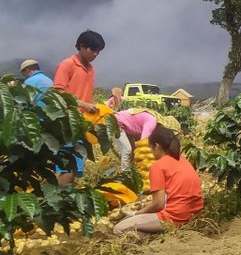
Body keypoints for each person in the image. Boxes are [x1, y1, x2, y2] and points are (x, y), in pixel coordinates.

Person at [113, 125, 204, 236]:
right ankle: (153, 232)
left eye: (150, 148)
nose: (151, 152)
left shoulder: (158, 166)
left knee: (118, 228)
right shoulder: (184, 161)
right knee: (134, 223)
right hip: (193, 214)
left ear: (156, 146)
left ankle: (148, 235)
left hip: (175, 217)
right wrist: (144, 205)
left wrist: (136, 213)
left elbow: (158, 204)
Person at [53, 29, 105, 185]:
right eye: (92, 49)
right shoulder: (67, 65)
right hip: (66, 122)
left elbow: (86, 96)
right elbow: (59, 92)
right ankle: (62, 200)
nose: (95, 54)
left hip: (81, 124)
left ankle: (68, 198)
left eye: (98, 51)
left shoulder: (91, 69)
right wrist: (83, 104)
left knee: (76, 165)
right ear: (81, 46)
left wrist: (99, 106)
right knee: (66, 165)